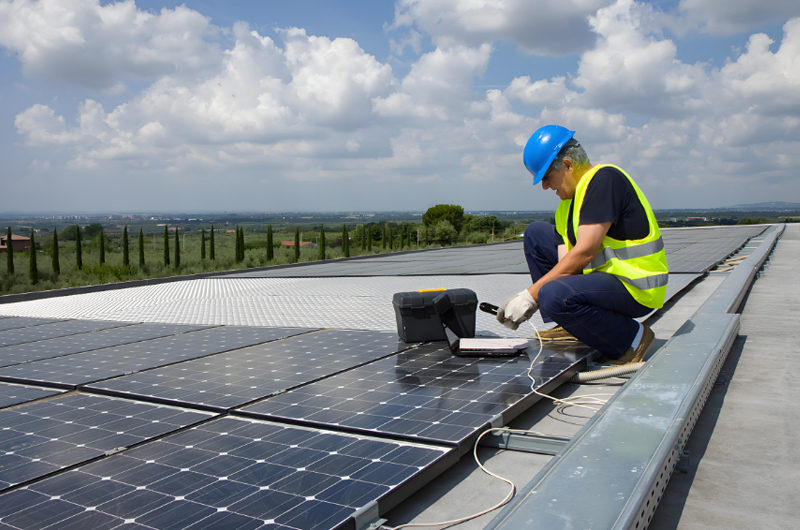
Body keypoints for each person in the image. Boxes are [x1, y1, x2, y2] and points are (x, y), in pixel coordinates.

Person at [496, 125, 669, 364]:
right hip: (604, 283)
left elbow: (585, 251)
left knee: (552, 294)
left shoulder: (604, 179)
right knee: (536, 234)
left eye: (547, 177)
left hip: (636, 287)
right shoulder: (565, 207)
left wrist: (530, 296)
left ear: (567, 165)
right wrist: (533, 297)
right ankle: (572, 325)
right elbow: (566, 263)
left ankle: (632, 339)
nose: (545, 186)